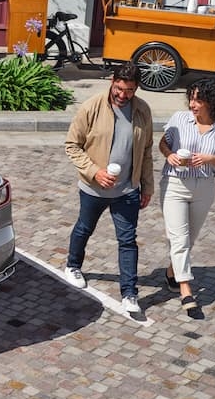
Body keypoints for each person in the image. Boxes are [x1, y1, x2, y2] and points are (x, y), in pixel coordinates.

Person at [64, 63, 154, 313]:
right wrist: (95, 172)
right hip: (93, 189)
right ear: (113, 81)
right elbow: (72, 145)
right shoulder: (92, 106)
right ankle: (73, 265)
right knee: (84, 228)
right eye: (120, 88)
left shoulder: (143, 111)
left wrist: (147, 186)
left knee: (128, 240)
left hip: (127, 191)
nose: (123, 95)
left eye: (130, 90)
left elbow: (146, 151)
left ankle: (129, 293)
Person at [158, 78, 215, 314]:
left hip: (204, 186)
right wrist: (169, 155)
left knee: (188, 240)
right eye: (191, 98)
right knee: (180, 238)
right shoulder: (179, 119)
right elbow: (164, 143)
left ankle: (172, 273)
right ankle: (186, 291)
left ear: (212, 102)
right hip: (175, 183)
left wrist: (209, 158)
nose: (192, 104)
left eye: (198, 99)